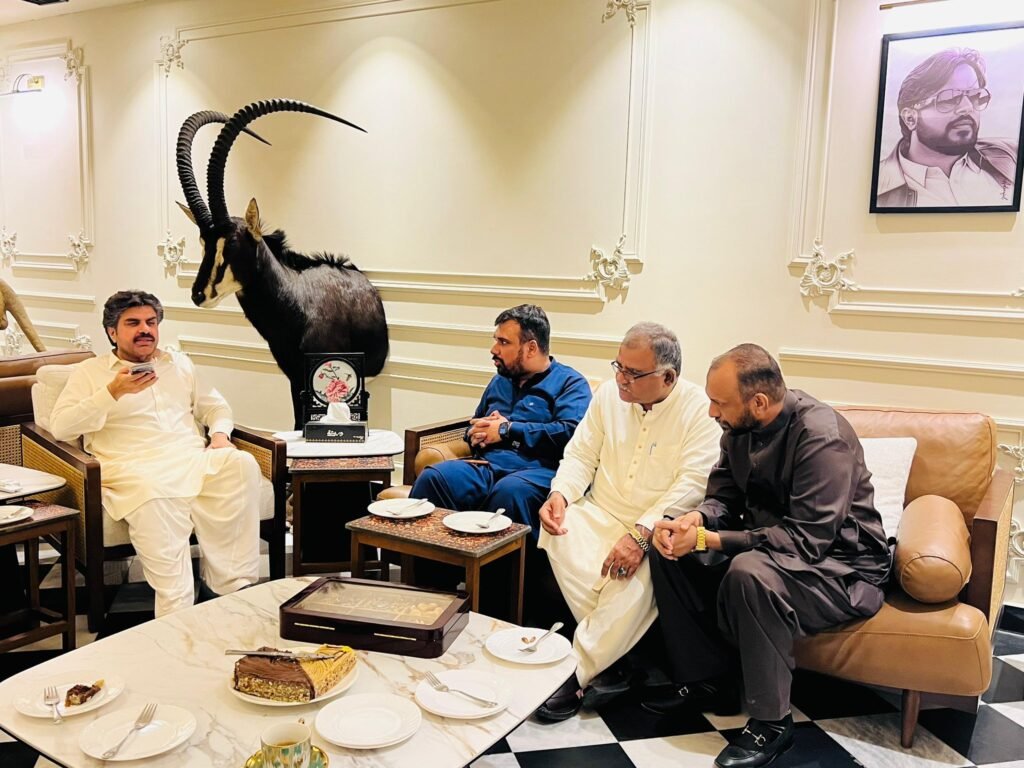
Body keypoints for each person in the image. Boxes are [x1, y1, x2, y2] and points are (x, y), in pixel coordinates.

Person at [644, 344, 891, 768]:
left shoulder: (822, 436)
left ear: (758, 402)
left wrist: (709, 540)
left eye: (720, 403)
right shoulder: (737, 428)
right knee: (665, 547)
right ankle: (708, 681)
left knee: (749, 572)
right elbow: (722, 497)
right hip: (770, 551)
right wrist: (695, 520)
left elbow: (807, 540)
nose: (711, 412)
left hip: (840, 569)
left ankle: (772, 723)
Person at [534, 322, 721, 722]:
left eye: (633, 373)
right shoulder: (607, 395)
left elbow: (692, 484)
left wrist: (641, 534)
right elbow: (581, 454)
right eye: (618, 366)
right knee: (557, 531)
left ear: (667, 377)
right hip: (599, 512)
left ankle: (576, 670)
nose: (621, 378)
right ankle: (617, 659)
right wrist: (560, 494)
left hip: (653, 526)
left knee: (648, 566)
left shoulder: (698, 410)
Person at [50, 290, 261, 617]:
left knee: (240, 464)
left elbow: (216, 407)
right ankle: (176, 611)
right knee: (155, 494)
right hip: (133, 469)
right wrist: (112, 393)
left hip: (190, 459)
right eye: (133, 323)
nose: (145, 329)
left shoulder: (178, 364)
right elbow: (61, 427)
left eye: (151, 322)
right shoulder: (91, 372)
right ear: (112, 332)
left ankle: (227, 589)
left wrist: (219, 436)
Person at [410, 304, 591, 533]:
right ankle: (422, 556)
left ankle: (506, 559)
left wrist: (507, 429)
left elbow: (569, 432)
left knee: (510, 492)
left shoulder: (570, 383)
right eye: (496, 340)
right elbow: (475, 423)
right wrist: (477, 433)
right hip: (487, 467)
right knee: (434, 477)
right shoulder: (500, 381)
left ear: (531, 348)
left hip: (537, 471)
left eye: (504, 342)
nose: (494, 349)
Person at [876, 47, 1018, 208]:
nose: (967, 107)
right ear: (910, 118)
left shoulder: (1010, 154)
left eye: (975, 96)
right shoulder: (880, 187)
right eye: (950, 98)